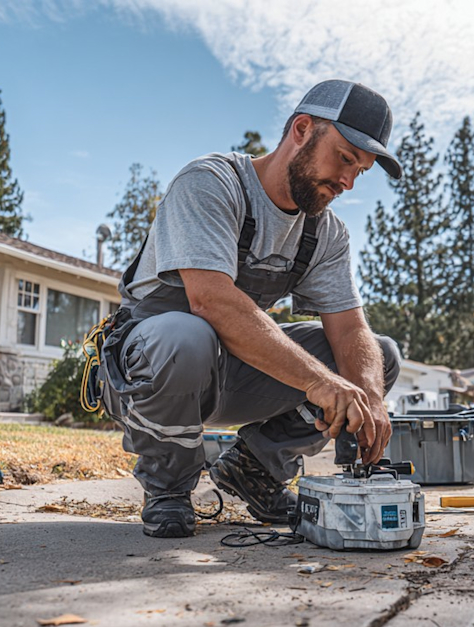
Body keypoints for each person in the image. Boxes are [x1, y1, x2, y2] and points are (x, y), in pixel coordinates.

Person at [99, 80, 405, 538]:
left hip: (231, 374)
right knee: (187, 334)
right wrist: (322, 382)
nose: (348, 181)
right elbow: (211, 301)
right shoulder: (210, 183)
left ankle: (254, 468)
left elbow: (349, 331)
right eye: (345, 158)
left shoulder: (325, 233)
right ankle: (167, 488)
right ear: (302, 129)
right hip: (145, 370)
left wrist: (369, 398)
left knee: (379, 357)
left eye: (360, 171)